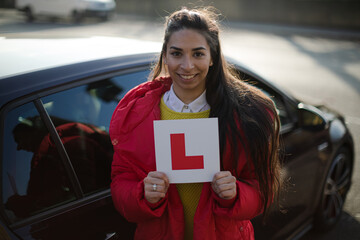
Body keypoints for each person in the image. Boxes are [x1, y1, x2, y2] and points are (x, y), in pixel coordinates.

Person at [110, 7, 281, 240]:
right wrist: (142, 194)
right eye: (177, 53)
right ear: (165, 56)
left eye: (198, 54)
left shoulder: (245, 113)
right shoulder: (136, 114)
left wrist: (236, 193)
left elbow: (263, 190)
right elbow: (121, 180)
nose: (187, 66)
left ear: (212, 57)